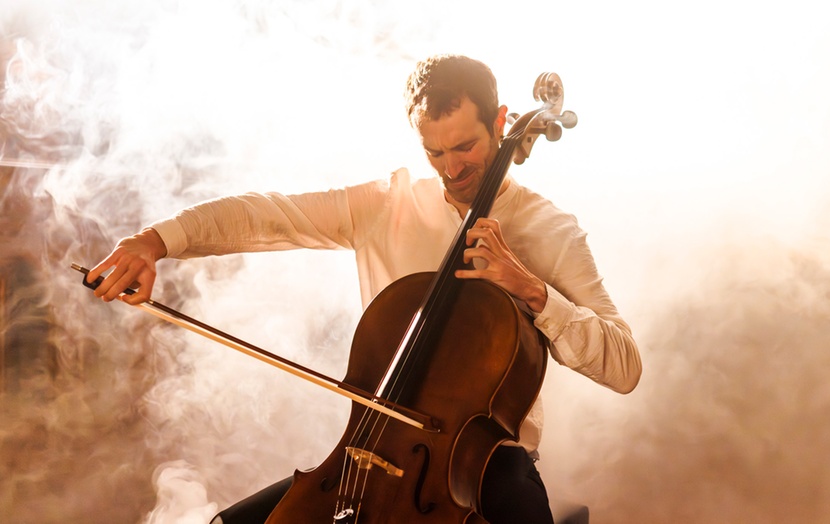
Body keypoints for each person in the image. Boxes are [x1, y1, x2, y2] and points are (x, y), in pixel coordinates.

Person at [88, 54, 642, 524]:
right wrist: (156, 241)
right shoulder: (387, 205)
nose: (452, 168)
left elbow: (624, 364)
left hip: (485, 466)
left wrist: (530, 289)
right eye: (435, 152)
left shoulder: (550, 231)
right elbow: (268, 215)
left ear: (501, 122)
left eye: (466, 147)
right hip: (366, 451)